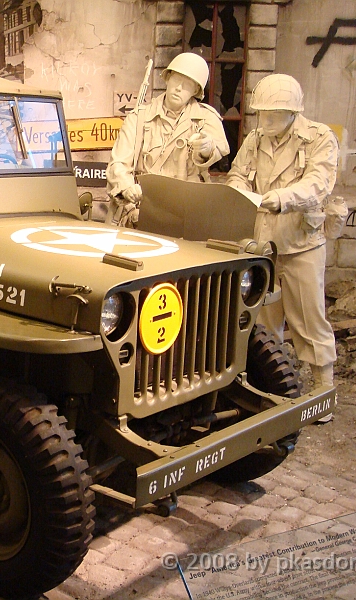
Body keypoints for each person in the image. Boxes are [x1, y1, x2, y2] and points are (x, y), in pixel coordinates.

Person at [225, 73, 338, 407]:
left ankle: (322, 392)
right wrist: (238, 191)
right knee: (262, 322)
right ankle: (272, 389)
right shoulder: (256, 139)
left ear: (293, 113)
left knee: (309, 318)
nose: (266, 120)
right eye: (262, 113)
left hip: (301, 242)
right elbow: (238, 173)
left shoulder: (318, 138)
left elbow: (319, 183)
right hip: (263, 245)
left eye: (274, 114)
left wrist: (282, 198)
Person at [106, 52, 230, 226]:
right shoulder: (139, 117)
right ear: (167, 78)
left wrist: (205, 147)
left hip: (186, 215)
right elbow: (118, 163)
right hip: (141, 210)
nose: (179, 88)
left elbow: (217, 151)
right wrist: (127, 187)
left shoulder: (205, 118)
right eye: (176, 80)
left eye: (187, 84)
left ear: (195, 91)